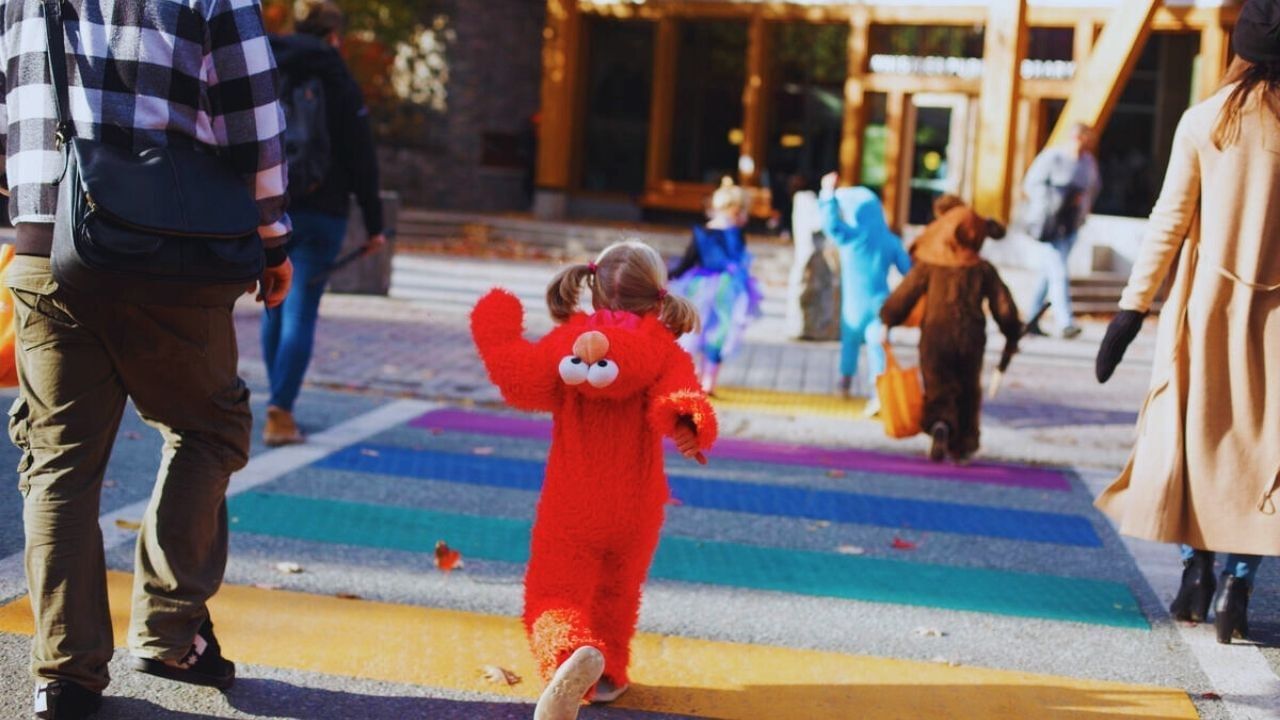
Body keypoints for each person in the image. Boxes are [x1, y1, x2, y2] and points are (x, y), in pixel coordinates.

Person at [0, 0, 292, 717]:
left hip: (47, 241)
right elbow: (252, 118)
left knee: (60, 462)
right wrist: (272, 235)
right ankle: (169, 629)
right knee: (209, 426)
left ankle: (64, 675)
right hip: (170, 246)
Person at [1094, 0, 1280, 646]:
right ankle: (1239, 581)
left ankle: (1193, 572)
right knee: (1260, 458)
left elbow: (1168, 221)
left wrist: (1130, 308)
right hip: (1277, 327)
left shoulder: (1204, 122)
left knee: (1187, 442)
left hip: (1203, 311)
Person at [471, 241, 716, 720]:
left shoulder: (569, 343)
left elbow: (521, 380)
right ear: (658, 298)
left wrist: (495, 332)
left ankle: (567, 656)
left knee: (555, 592)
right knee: (617, 593)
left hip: (573, 499)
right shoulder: (661, 351)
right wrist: (690, 423)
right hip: (636, 504)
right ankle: (607, 672)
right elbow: (681, 396)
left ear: (592, 291)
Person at [260, 0, 386, 446]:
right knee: (302, 309)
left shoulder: (268, 65)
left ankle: (276, 402)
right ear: (335, 36)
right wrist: (374, 223)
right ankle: (281, 410)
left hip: (274, 204)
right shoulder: (339, 79)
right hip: (325, 211)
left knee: (274, 301)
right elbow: (361, 155)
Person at [881, 202, 1022, 463]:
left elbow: (905, 294)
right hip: (971, 339)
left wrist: (889, 318)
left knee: (938, 384)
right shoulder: (982, 269)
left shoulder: (929, 265)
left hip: (935, 337)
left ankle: (939, 422)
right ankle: (964, 444)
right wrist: (1012, 331)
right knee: (968, 389)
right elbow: (1003, 306)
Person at [818, 172, 911, 416]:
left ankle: (845, 382)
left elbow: (831, 226)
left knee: (849, 342)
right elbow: (908, 270)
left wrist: (828, 195)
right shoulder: (890, 240)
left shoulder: (852, 237)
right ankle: (877, 393)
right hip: (881, 304)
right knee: (877, 346)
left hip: (853, 307)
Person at [668, 177, 763, 394]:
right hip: (728, 288)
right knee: (720, 331)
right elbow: (740, 261)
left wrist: (670, 275)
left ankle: (696, 377)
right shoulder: (736, 234)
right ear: (736, 210)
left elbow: (687, 261)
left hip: (699, 286)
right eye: (744, 212)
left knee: (695, 330)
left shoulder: (703, 232)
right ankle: (709, 381)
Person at [1020, 122, 1101, 339]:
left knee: (1048, 274)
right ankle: (1066, 322)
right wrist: (1054, 198)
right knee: (1059, 272)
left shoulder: (1088, 163)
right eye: (1080, 139)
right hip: (1049, 224)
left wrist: (1082, 209)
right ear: (1072, 137)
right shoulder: (1052, 158)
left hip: (1071, 224)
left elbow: (1093, 189)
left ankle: (1031, 320)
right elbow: (1031, 184)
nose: (1083, 145)